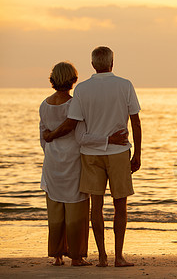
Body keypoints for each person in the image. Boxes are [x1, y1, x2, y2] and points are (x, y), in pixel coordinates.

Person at [43, 46, 142, 267]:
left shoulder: (82, 90)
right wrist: (137, 154)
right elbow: (135, 121)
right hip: (118, 154)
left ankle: (102, 257)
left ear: (92, 65)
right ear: (112, 63)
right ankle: (118, 256)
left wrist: (50, 136)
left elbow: (75, 126)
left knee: (95, 207)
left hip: (90, 156)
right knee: (120, 206)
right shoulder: (125, 85)